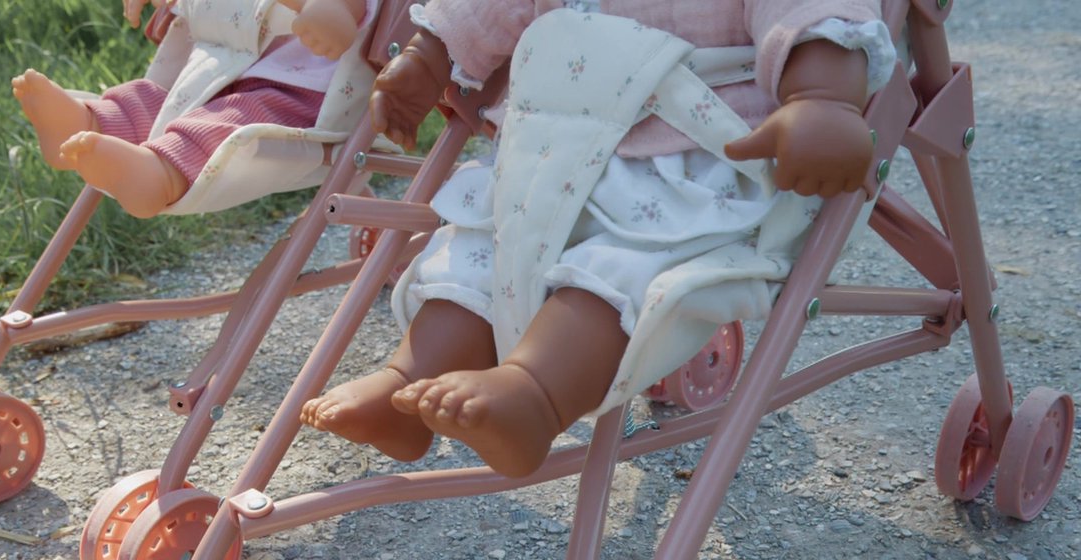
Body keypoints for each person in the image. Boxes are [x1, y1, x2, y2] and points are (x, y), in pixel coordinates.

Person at [301, 0, 897, 478]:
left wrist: (822, 98)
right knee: (480, 252)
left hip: (686, 164)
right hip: (552, 152)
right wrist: (428, 57)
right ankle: (407, 387)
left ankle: (534, 396)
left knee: (615, 273)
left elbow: (811, 12)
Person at [11, 0, 371, 218]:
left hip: (300, 93)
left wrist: (333, 11)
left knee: (228, 122)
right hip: (232, 61)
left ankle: (160, 175)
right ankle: (90, 121)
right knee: (166, 99)